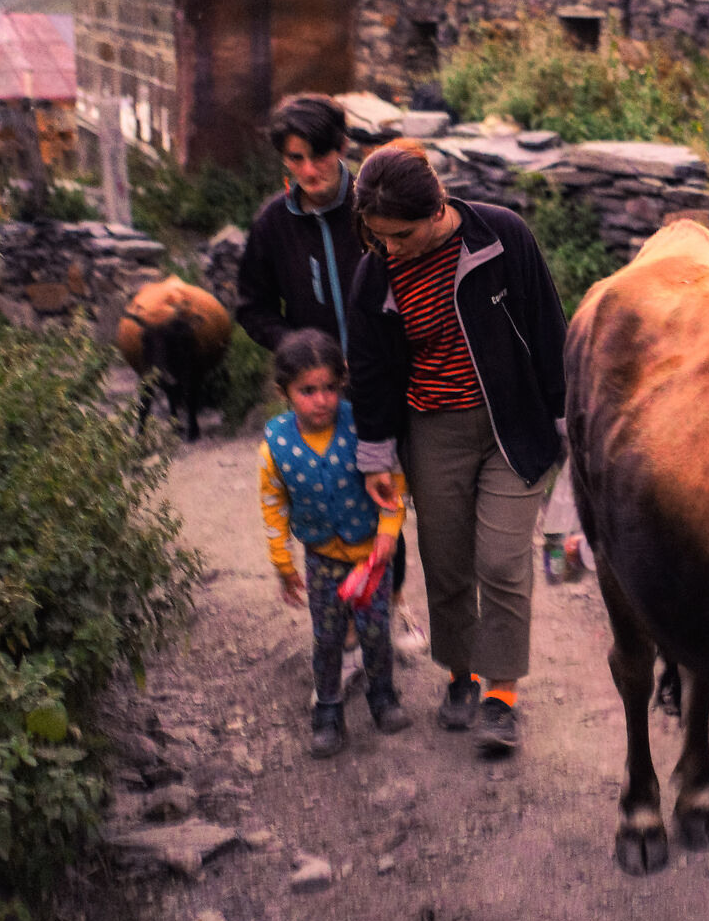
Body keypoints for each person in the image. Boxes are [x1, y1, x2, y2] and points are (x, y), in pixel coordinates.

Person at [345, 140, 568, 758]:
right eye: (378, 234)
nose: (390, 245)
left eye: (401, 232)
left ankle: (502, 695)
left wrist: (565, 417)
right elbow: (367, 370)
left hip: (511, 425)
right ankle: (460, 675)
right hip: (431, 429)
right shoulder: (377, 274)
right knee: (445, 564)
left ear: (439, 204)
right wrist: (378, 455)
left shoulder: (500, 237)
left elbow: (549, 326)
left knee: (500, 560)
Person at [259, 329, 413, 756]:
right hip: (322, 558)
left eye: (329, 387)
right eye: (307, 391)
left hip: (370, 557)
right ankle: (327, 712)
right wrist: (282, 562)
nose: (321, 399)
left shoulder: (363, 424)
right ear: (284, 391)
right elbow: (273, 503)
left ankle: (383, 697)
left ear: (342, 382)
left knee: (375, 631)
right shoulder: (276, 445)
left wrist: (388, 531)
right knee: (327, 637)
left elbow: (393, 481)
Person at [236, 97, 367, 357]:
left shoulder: (374, 206)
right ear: (284, 158)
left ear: (342, 147)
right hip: (318, 386)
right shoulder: (273, 222)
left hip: (388, 382)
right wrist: (298, 347)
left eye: (319, 156)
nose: (308, 171)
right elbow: (253, 308)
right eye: (296, 158)